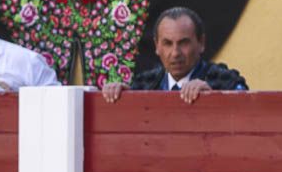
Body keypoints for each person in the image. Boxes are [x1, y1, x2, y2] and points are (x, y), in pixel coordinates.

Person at [102, 7, 247, 104]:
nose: (175, 53)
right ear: (157, 46)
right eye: (167, 43)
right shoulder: (142, 85)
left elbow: (247, 110)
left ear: (201, 43)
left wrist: (215, 98)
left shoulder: (226, 82)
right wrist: (120, 98)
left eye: (183, 43)